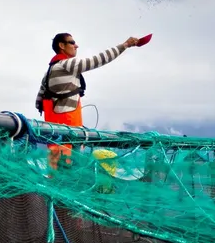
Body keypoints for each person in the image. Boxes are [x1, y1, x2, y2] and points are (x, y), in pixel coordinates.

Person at [36, 33, 142, 169]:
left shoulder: (49, 71)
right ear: (61, 45)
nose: (76, 46)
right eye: (72, 42)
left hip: (54, 133)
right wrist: (125, 45)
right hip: (69, 130)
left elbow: (39, 101)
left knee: (55, 169)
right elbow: (98, 60)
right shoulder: (66, 64)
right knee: (69, 168)